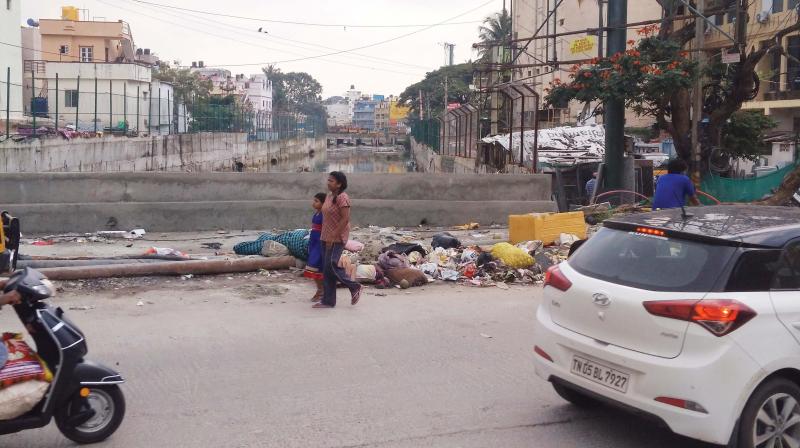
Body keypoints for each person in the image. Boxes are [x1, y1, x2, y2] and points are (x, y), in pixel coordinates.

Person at [314, 171, 363, 309]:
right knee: (326, 269)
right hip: (325, 236)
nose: (328, 183)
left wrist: (334, 235)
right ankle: (328, 301)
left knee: (331, 265)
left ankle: (355, 286)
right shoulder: (329, 197)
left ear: (339, 184)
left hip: (337, 237)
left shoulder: (343, 197)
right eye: (328, 180)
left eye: (331, 181)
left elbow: (345, 218)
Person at [304, 193, 326, 302]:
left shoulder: (324, 214)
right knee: (313, 268)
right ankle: (320, 290)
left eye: (316, 201)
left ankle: (321, 291)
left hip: (320, 243)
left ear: (323, 203)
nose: (314, 203)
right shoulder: (316, 214)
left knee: (315, 267)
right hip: (313, 241)